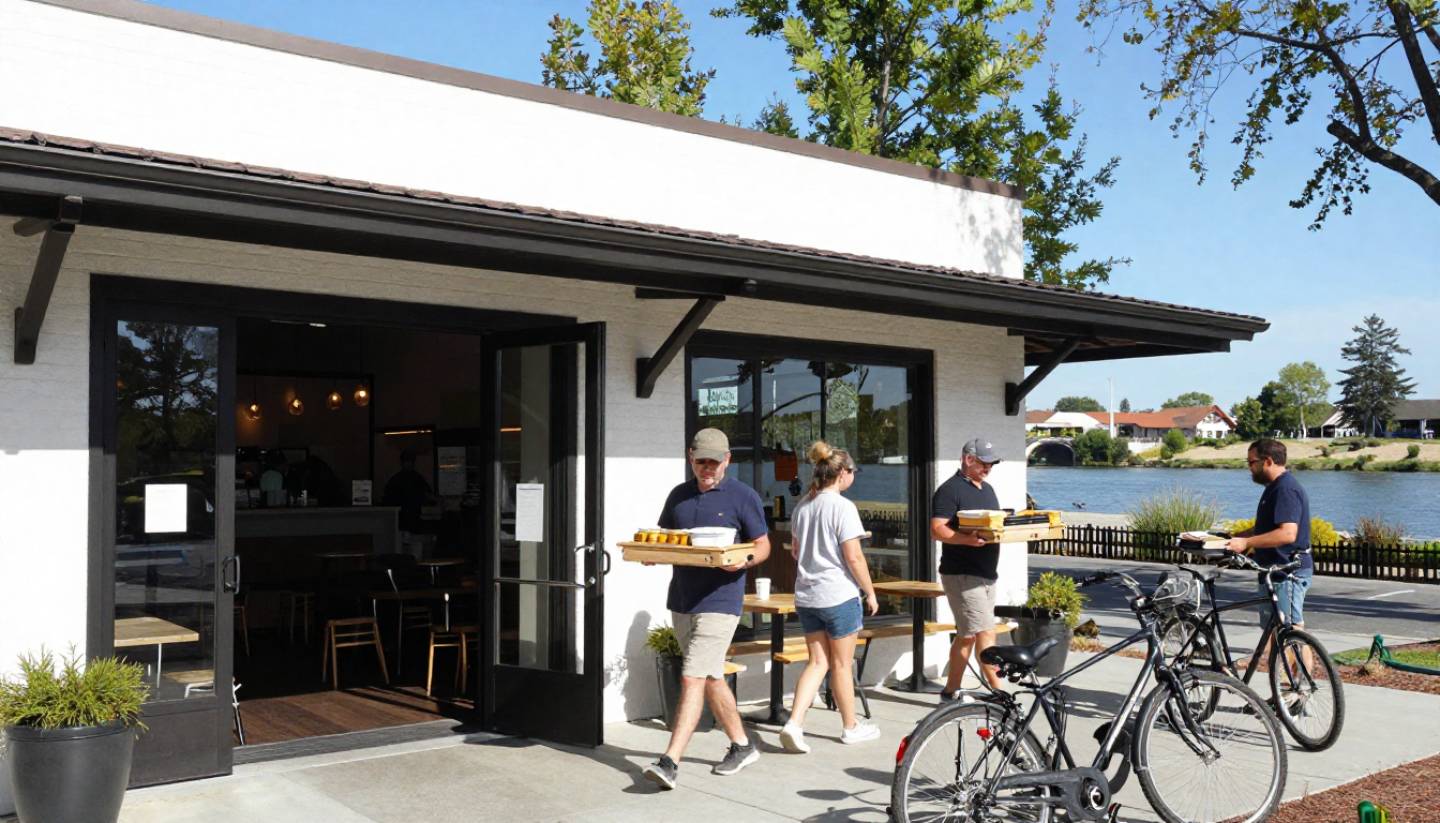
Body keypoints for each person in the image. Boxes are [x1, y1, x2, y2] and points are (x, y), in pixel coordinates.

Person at [643, 428, 771, 791]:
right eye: (702, 461)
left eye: (714, 462)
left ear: (727, 460)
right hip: (683, 599)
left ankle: (670, 761)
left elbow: (762, 547)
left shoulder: (742, 497)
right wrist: (655, 555)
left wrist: (744, 561)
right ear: (691, 458)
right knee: (710, 675)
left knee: (692, 676)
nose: (708, 468)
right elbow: (667, 540)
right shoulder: (678, 496)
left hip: (722, 601)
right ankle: (743, 745)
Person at [777, 441, 881, 754]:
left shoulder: (803, 507)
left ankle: (794, 723)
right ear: (842, 474)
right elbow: (854, 557)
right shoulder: (843, 507)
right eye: (853, 472)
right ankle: (850, 726)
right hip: (838, 595)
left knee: (818, 661)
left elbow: (796, 552)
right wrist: (870, 591)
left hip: (808, 595)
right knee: (841, 664)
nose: (854, 477)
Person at [931, 438, 1006, 698]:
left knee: (967, 636)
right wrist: (967, 541)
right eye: (984, 463)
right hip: (961, 573)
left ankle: (950, 691)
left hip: (986, 573)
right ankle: (1000, 694)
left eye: (992, 463)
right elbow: (938, 529)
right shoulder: (950, 490)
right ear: (968, 459)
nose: (988, 468)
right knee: (985, 631)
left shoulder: (988, 489)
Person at [1226, 438, 1313, 657]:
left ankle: (1300, 686)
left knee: (1292, 631)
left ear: (1267, 461)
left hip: (1287, 570)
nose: (1249, 468)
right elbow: (1264, 528)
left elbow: (1287, 533)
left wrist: (1246, 543)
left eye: (1251, 462)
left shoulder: (1285, 489)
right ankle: (1280, 683)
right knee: (1276, 630)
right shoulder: (1274, 488)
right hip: (1272, 571)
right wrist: (1232, 538)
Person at [383, 447, 436, 534]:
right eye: (408, 461)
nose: (409, 464)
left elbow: (387, 499)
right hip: (408, 518)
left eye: (410, 461)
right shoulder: (416, 478)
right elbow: (428, 495)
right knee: (412, 542)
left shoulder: (396, 479)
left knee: (402, 543)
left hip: (402, 519)